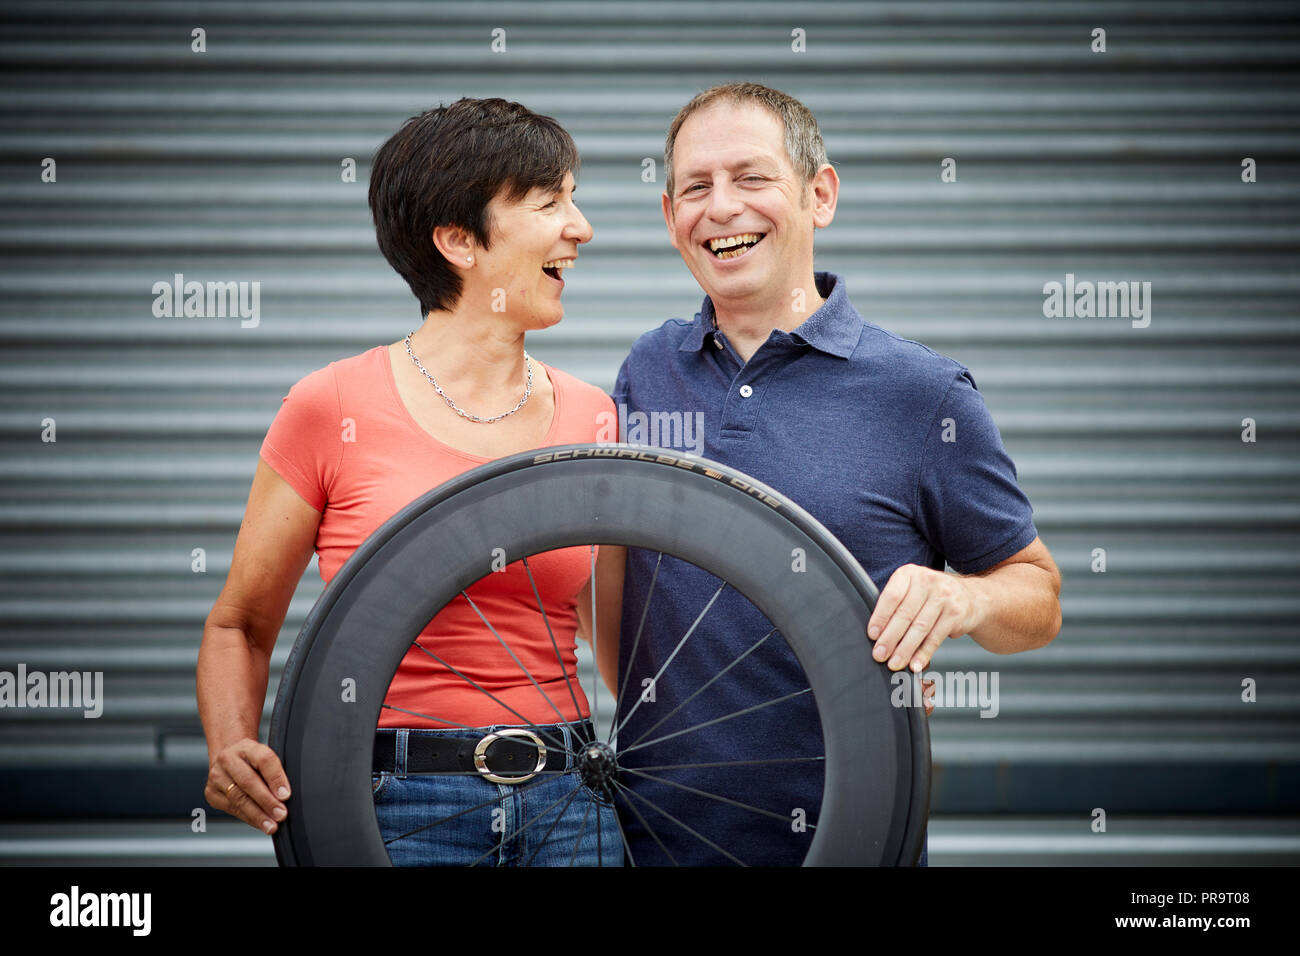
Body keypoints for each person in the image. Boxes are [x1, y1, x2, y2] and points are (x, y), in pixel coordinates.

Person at [608, 83, 1062, 866]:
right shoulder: (648, 371)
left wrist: (964, 596)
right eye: (696, 187)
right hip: (653, 838)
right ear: (669, 216)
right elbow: (615, 581)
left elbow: (1038, 594)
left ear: (820, 195)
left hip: (850, 834)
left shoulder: (922, 394)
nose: (721, 208)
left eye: (752, 179)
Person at [197, 97, 622, 866]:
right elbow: (240, 625)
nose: (582, 227)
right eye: (551, 202)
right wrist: (231, 746)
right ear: (459, 240)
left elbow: (623, 650)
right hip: (394, 804)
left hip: (571, 799)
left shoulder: (594, 414)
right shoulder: (330, 405)